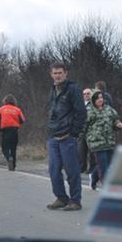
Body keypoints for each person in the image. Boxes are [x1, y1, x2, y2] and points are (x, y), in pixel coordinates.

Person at [46, 63, 87, 211]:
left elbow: (81, 112)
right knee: (53, 169)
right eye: (55, 73)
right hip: (53, 136)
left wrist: (74, 133)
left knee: (72, 170)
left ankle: (75, 200)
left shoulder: (73, 89)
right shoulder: (52, 90)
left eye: (60, 73)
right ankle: (61, 198)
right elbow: (52, 111)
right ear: (51, 74)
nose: (57, 75)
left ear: (65, 73)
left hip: (67, 136)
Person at [84, 91, 122, 190]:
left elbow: (115, 120)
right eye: (98, 98)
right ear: (93, 100)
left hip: (109, 141)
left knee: (107, 163)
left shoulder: (109, 109)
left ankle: (93, 176)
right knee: (103, 166)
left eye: (101, 97)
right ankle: (107, 187)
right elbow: (83, 126)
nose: (100, 100)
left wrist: (118, 125)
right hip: (96, 142)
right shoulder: (89, 111)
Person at [0, 95, 26, 171]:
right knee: (13, 148)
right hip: (14, 130)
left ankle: (9, 157)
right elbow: (22, 120)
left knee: (4, 148)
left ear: (5, 101)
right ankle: (14, 165)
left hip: (5, 130)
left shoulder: (0, 109)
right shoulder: (17, 110)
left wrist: (0, 128)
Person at [78, 88, 93, 173]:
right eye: (84, 94)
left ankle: (91, 169)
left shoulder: (93, 104)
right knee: (81, 150)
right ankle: (82, 167)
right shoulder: (80, 104)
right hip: (81, 131)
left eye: (88, 93)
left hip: (90, 131)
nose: (86, 95)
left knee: (91, 151)